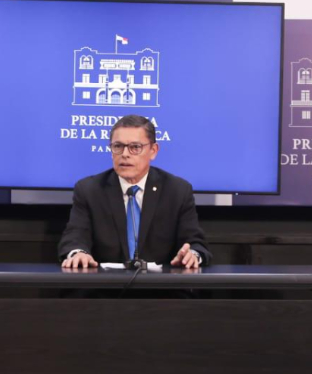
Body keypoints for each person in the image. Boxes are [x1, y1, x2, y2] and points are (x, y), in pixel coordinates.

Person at [59, 114, 211, 269]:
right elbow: (75, 237)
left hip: (161, 283)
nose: (125, 154)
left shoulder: (177, 191)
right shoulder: (90, 190)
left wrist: (192, 255)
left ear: (153, 150)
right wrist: (78, 253)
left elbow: (195, 243)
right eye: (118, 146)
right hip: (105, 282)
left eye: (135, 147)